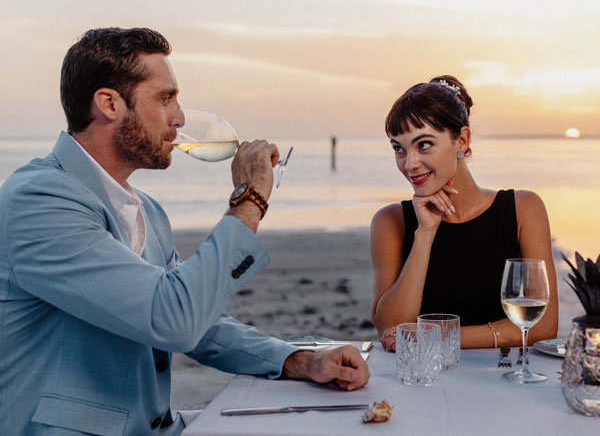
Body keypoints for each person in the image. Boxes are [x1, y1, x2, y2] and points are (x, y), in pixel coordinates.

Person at [0, 27, 369, 436]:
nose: (179, 118)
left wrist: (296, 360)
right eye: (165, 98)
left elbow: (202, 322)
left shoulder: (148, 211)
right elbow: (174, 318)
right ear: (109, 103)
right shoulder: (38, 201)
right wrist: (250, 200)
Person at [370, 75, 558, 351]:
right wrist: (425, 233)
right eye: (399, 148)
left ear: (462, 140)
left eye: (423, 145)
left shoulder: (523, 209)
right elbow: (391, 330)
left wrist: (437, 338)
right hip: (423, 381)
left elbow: (543, 326)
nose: (409, 164)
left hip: (503, 381)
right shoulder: (390, 221)